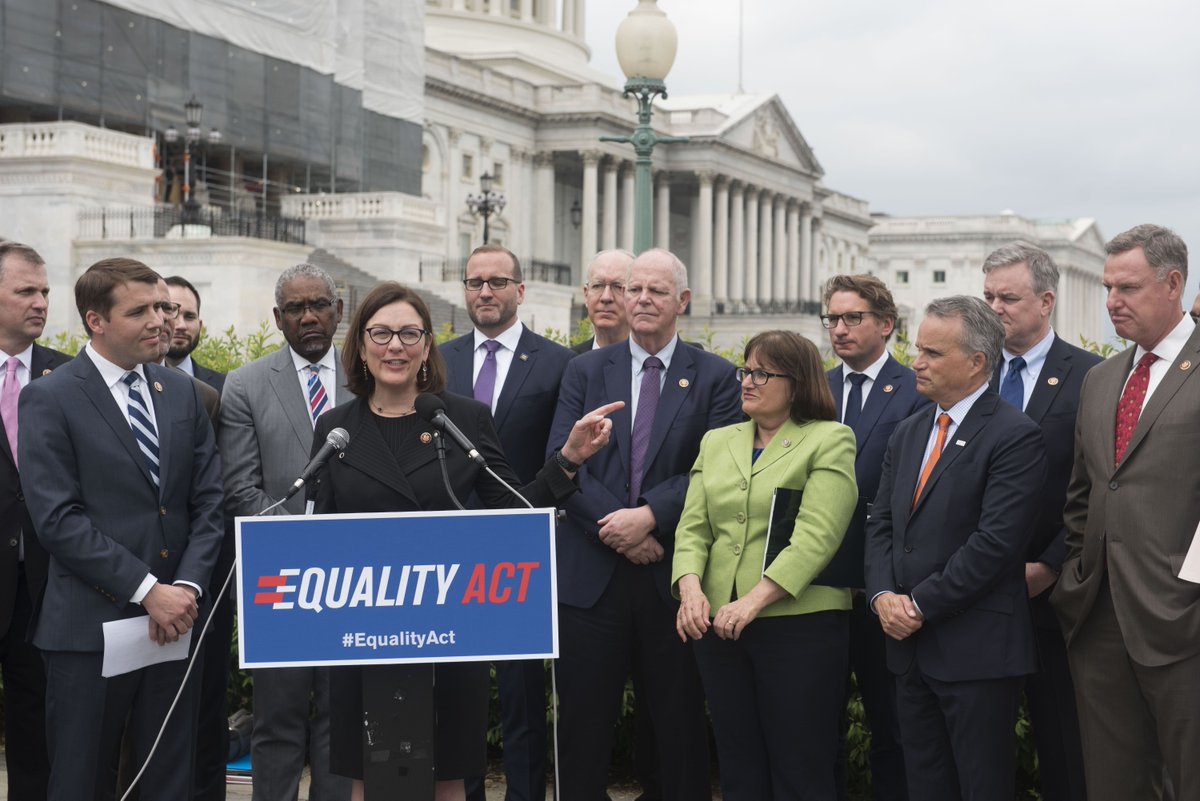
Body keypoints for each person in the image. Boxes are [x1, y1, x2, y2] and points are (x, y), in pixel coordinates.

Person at [309, 281, 621, 801]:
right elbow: (319, 533)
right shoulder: (336, 428)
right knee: (369, 775)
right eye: (381, 333)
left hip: (450, 628)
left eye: (410, 333)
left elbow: (511, 510)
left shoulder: (461, 419)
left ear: (428, 344)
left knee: (450, 777)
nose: (395, 346)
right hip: (366, 633)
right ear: (360, 345)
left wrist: (567, 459)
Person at [20, 257, 224, 801]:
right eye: (141, 311)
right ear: (96, 320)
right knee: (81, 781)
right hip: (89, 633)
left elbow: (208, 501)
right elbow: (57, 519)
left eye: (162, 306)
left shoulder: (181, 392)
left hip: (175, 626)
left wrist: (185, 589)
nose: (161, 320)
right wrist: (147, 590)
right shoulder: (50, 396)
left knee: (166, 780)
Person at [548, 248, 741, 801]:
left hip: (672, 578)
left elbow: (715, 471)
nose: (641, 300)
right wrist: (618, 528)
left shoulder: (716, 377)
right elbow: (560, 464)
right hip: (593, 575)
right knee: (582, 726)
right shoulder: (583, 370)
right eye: (634, 290)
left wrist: (651, 516)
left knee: (677, 725)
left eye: (656, 291)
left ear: (682, 301)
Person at [864, 295, 1046, 801]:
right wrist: (882, 597)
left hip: (976, 654)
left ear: (976, 363)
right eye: (917, 349)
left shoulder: (1015, 436)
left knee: (981, 785)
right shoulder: (909, 431)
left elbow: (996, 545)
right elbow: (880, 523)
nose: (916, 362)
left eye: (932, 354)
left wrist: (919, 605)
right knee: (924, 784)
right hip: (908, 648)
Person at [673, 329, 858, 800]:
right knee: (738, 765)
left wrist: (752, 602)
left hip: (800, 628)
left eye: (762, 373)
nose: (748, 382)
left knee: (801, 767)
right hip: (719, 627)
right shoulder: (717, 441)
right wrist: (691, 590)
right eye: (745, 371)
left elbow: (817, 538)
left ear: (796, 383)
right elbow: (693, 528)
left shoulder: (830, 440)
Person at [1050, 224, 1200, 800]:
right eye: (1108, 287)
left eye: (1128, 288)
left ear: (1173, 284)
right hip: (1098, 616)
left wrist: (1188, 594)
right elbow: (1083, 495)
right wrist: (1077, 580)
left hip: (1182, 620)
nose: (1111, 301)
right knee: (1113, 782)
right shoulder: (1101, 378)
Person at [440, 244, 574, 801]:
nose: (485, 292)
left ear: (521, 290)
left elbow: (560, 453)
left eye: (497, 282)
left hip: (523, 545)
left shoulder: (559, 361)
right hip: (451, 546)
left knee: (522, 699)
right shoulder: (439, 360)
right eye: (474, 283)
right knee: (459, 697)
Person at [218, 263, 351, 801]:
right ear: (277, 318)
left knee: (340, 721)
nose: (309, 317)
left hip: (355, 578)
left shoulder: (372, 376)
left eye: (319, 304)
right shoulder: (245, 384)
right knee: (278, 721)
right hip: (280, 577)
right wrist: (302, 543)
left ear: (339, 311)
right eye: (295, 309)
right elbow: (241, 489)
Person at [981, 242, 1097, 801]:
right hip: (975, 598)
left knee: (1063, 746)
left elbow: (1099, 486)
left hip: (1053, 598)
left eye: (1008, 297)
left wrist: (1051, 564)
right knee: (980, 752)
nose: (994, 308)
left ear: (1046, 300)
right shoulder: (968, 373)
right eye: (988, 297)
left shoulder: (1091, 376)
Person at [823, 274, 926, 801]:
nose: (839, 329)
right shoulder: (814, 388)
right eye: (832, 319)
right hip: (816, 585)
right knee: (820, 726)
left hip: (882, 585)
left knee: (893, 725)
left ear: (886, 324)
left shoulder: (916, 390)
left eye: (852, 318)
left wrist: (880, 578)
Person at [0, 242, 68, 800]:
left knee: (36, 733)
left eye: (44, 291)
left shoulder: (68, 378)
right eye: (26, 291)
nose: (41, 302)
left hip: (45, 584)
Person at [165, 275, 225, 392]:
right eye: (172, 313)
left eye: (189, 317)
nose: (181, 325)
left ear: (200, 325)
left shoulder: (223, 386)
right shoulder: (134, 384)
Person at [572, 249, 634, 354]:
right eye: (598, 286)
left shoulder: (652, 365)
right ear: (586, 294)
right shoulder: (567, 364)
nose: (606, 297)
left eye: (618, 287)